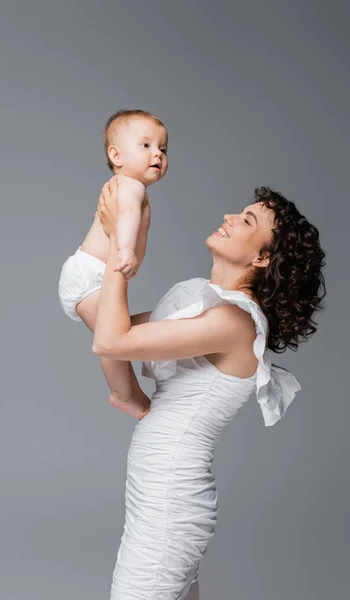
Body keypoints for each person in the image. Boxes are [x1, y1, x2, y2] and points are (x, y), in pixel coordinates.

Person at [59, 178, 326, 599]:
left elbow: (111, 342)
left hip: (168, 504)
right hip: (165, 498)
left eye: (246, 220)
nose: (229, 217)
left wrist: (121, 249)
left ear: (261, 257)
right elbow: (104, 320)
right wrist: (121, 235)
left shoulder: (235, 323)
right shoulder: (210, 310)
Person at [58, 109, 168, 419]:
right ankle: (123, 394)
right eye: (145, 145)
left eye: (163, 148)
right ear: (116, 155)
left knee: (122, 331)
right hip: (90, 275)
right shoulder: (130, 185)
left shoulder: (128, 186)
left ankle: (172, 325)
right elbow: (128, 217)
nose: (157, 154)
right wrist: (126, 249)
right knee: (111, 341)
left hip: (87, 275)